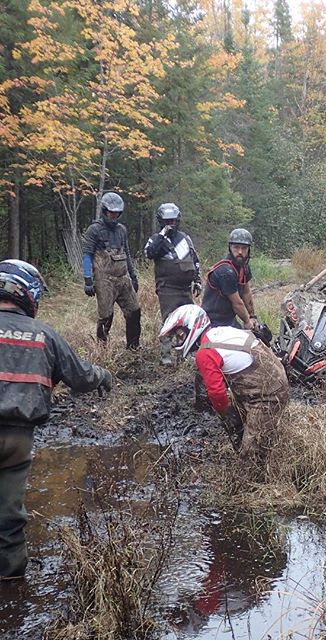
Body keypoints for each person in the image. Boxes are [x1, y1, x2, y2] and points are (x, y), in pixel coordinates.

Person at [0, 260, 112, 579]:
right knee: (9, 517)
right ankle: (11, 583)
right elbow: (80, 376)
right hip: (18, 442)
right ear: (29, 293)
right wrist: (103, 376)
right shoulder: (44, 335)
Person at [160, 304, 289, 462]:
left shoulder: (205, 353)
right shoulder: (219, 332)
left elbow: (216, 393)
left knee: (251, 456)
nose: (178, 340)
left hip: (268, 394)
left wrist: (227, 416)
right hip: (271, 378)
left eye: (180, 335)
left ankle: (258, 479)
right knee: (242, 418)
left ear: (192, 327)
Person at [144, 203, 202, 366]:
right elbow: (149, 253)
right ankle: (165, 355)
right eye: (167, 221)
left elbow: (195, 259)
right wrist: (163, 235)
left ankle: (187, 351)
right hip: (167, 288)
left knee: (189, 319)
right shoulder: (156, 239)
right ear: (161, 221)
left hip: (185, 288)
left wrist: (197, 281)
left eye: (174, 221)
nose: (171, 224)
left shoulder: (185, 238)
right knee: (169, 320)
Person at [82, 191, 141, 349]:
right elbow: (87, 255)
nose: (114, 216)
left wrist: (133, 276)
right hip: (104, 280)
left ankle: (133, 347)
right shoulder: (93, 230)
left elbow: (127, 254)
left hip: (123, 278)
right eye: (111, 213)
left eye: (117, 214)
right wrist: (88, 279)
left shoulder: (122, 230)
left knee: (134, 311)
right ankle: (102, 348)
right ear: (104, 211)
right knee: (106, 315)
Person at [201, 228, 258, 330]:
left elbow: (246, 293)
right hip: (213, 322)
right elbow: (237, 303)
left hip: (229, 320)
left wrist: (252, 316)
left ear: (249, 249)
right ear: (230, 248)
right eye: (236, 247)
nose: (240, 252)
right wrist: (247, 322)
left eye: (244, 248)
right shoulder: (225, 272)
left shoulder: (244, 267)